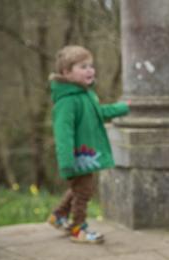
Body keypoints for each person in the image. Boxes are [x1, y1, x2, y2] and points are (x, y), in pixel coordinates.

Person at [46, 45, 129, 244]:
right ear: (67, 73)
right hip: (76, 157)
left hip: (87, 156)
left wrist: (123, 108)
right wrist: (66, 160)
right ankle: (78, 228)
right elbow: (63, 133)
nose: (90, 70)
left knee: (79, 188)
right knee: (83, 191)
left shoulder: (85, 95)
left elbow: (99, 113)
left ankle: (58, 216)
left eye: (90, 66)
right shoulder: (67, 102)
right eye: (83, 67)